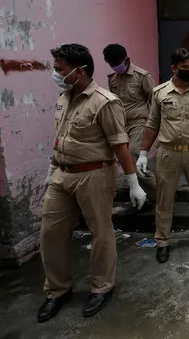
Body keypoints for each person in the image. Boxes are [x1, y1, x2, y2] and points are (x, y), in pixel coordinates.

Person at [38, 44, 146, 323]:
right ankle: (57, 290)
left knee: (101, 232)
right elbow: (60, 138)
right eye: (56, 68)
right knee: (50, 233)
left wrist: (133, 183)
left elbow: (120, 145)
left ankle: (101, 286)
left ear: (80, 70)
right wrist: (51, 171)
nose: (56, 74)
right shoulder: (64, 98)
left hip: (94, 175)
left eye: (61, 69)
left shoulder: (104, 101)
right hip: (62, 174)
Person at [136, 48, 189, 264]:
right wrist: (143, 153)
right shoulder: (160, 93)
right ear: (173, 68)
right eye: (184, 68)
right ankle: (163, 241)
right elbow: (152, 124)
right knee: (164, 200)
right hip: (168, 153)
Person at [103, 44, 157, 205]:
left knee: (134, 153)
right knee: (122, 158)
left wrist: (153, 124)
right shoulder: (112, 79)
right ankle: (141, 194)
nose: (115, 66)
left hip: (140, 122)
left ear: (126, 59)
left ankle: (158, 196)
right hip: (120, 124)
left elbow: (154, 100)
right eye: (111, 63)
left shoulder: (142, 76)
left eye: (117, 62)